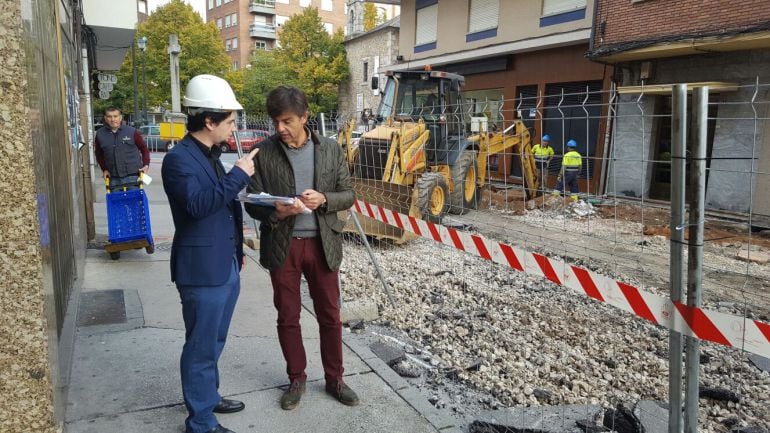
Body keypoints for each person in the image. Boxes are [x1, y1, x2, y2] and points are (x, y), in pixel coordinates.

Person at [244, 86, 358, 411]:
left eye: (287, 121)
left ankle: (335, 379)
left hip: (323, 245)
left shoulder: (331, 149)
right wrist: (276, 211)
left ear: (305, 117)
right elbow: (253, 202)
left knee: (330, 316)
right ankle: (297, 378)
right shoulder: (264, 152)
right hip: (284, 246)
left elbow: (348, 193)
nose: (280, 128)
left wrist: (324, 199)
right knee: (288, 317)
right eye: (276, 121)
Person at [161, 74, 258, 433]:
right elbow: (198, 205)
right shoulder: (178, 160)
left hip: (224, 262)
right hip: (201, 270)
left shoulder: (209, 154)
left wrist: (237, 248)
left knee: (214, 339)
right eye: (230, 121)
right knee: (200, 346)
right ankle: (200, 422)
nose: (233, 128)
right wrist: (237, 176)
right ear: (209, 120)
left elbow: (223, 204)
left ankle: (207, 395)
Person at [94, 107, 150, 190]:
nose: (112, 119)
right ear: (105, 118)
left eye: (115, 116)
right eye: (109, 116)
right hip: (113, 178)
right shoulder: (100, 134)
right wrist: (104, 169)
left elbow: (144, 149)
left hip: (133, 177)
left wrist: (146, 165)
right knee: (116, 202)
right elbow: (99, 154)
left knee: (134, 202)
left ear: (120, 117)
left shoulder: (132, 131)